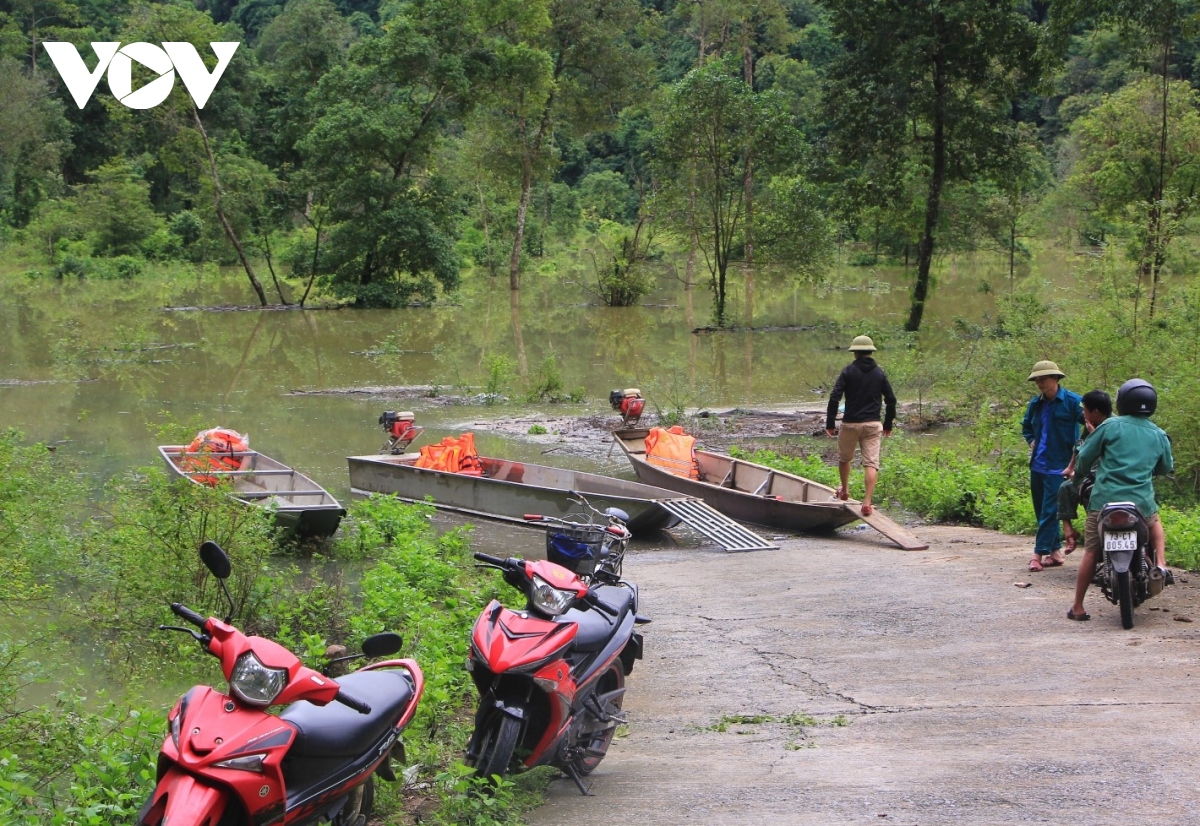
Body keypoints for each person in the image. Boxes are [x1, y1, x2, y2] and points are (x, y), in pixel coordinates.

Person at [1067, 378, 1173, 621]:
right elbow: (1165, 466)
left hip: (1104, 502)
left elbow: (1085, 457)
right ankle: (1161, 564)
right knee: (1154, 523)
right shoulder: (1158, 434)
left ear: (1123, 401)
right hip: (1140, 503)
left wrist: (1077, 477)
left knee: (1092, 553)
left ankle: (1078, 606)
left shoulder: (1110, 426)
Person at [1021, 360, 1085, 572]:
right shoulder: (1035, 404)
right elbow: (1027, 426)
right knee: (1041, 510)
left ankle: (1037, 555)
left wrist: (1083, 449)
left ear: (1056, 378)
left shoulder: (1073, 402)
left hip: (1060, 466)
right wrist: (1031, 439)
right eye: (1037, 379)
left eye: (1043, 378)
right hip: (1038, 464)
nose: (1039, 383)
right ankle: (1055, 553)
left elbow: (1094, 423)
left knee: (1050, 510)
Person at [825, 335, 897, 516]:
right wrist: (888, 424)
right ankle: (867, 502)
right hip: (873, 425)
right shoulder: (879, 373)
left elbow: (835, 397)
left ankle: (845, 490)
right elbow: (891, 400)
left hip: (850, 424)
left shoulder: (848, 371)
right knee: (871, 464)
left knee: (844, 459)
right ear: (871, 352)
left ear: (855, 352)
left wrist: (830, 423)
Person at [1058, 389, 1112, 553]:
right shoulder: (1090, 423)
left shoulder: (1113, 426)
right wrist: (1071, 466)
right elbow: (1079, 445)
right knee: (1065, 488)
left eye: (1084, 409)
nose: (1082, 413)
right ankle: (1069, 531)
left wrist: (1095, 435)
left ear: (1095, 412)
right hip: (1089, 471)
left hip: (1106, 473)